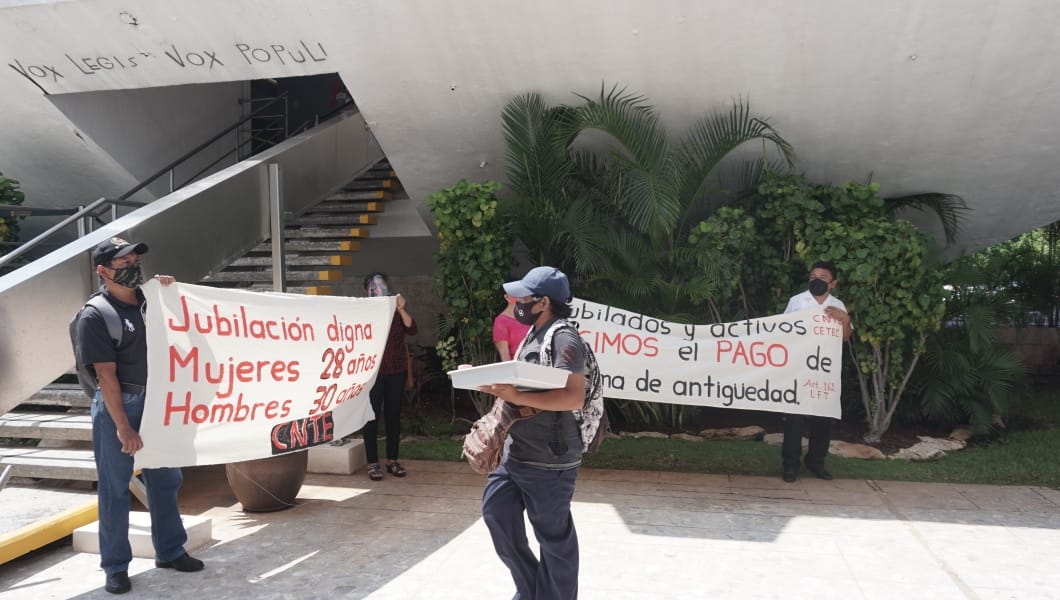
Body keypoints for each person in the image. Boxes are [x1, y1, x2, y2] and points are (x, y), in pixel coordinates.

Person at [74, 237, 204, 595]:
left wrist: (170, 294)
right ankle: (115, 567)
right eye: (122, 260)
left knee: (167, 479)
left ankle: (171, 550)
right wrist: (123, 427)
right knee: (116, 490)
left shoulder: (152, 301)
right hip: (122, 404)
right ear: (103, 271)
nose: (132, 263)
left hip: (159, 402)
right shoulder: (96, 315)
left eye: (134, 256)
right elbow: (106, 376)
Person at [478, 266, 588, 600]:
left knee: (554, 540)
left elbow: (573, 395)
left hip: (550, 459)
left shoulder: (564, 337)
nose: (516, 301)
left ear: (543, 302)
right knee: (496, 512)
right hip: (519, 451)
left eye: (524, 296)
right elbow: (528, 383)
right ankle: (532, 591)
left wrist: (516, 396)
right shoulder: (535, 333)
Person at [781, 260, 853, 483]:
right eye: (812, 277)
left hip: (824, 370)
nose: (816, 281)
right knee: (794, 419)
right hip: (798, 367)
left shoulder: (838, 305)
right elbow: (780, 331)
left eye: (822, 278)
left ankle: (816, 462)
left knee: (823, 418)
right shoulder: (797, 301)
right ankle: (790, 465)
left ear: (832, 283)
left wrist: (845, 320)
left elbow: (845, 337)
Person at [362, 272, 418, 480]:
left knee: (393, 416)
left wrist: (401, 308)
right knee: (371, 417)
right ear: (366, 290)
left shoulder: (394, 310)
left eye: (382, 285)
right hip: (373, 373)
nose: (379, 290)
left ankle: (392, 460)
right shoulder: (363, 312)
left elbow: (412, 329)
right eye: (373, 287)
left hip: (396, 370)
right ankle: (372, 462)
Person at [492, 293, 532, 361]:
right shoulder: (501, 321)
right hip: (519, 366)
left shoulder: (530, 316)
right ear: (506, 296)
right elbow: (505, 357)